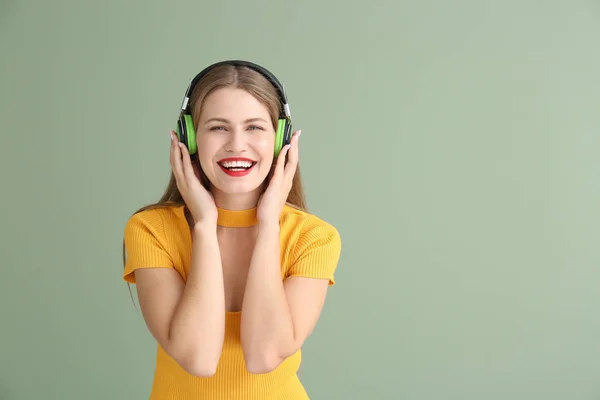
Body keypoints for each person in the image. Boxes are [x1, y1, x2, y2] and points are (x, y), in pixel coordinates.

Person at [121, 60, 342, 399]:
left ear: (281, 139)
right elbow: (198, 358)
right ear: (190, 137)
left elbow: (263, 355)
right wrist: (206, 226)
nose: (237, 145)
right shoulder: (151, 230)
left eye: (254, 127)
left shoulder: (315, 237)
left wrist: (268, 225)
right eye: (218, 128)